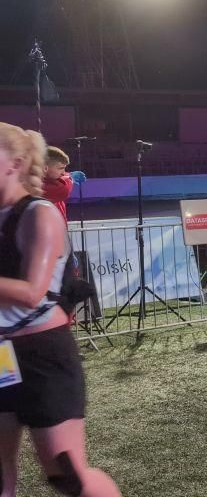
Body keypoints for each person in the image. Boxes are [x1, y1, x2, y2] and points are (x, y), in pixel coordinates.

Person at [0, 123, 121, 497]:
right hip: (1, 355)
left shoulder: (39, 213)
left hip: (43, 355)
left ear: (14, 164)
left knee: (67, 477)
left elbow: (32, 293)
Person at [41, 147, 86, 224]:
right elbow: (64, 189)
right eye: (60, 168)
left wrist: (69, 175)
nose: (63, 173)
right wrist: (71, 178)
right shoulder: (37, 184)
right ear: (45, 167)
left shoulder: (53, 179)